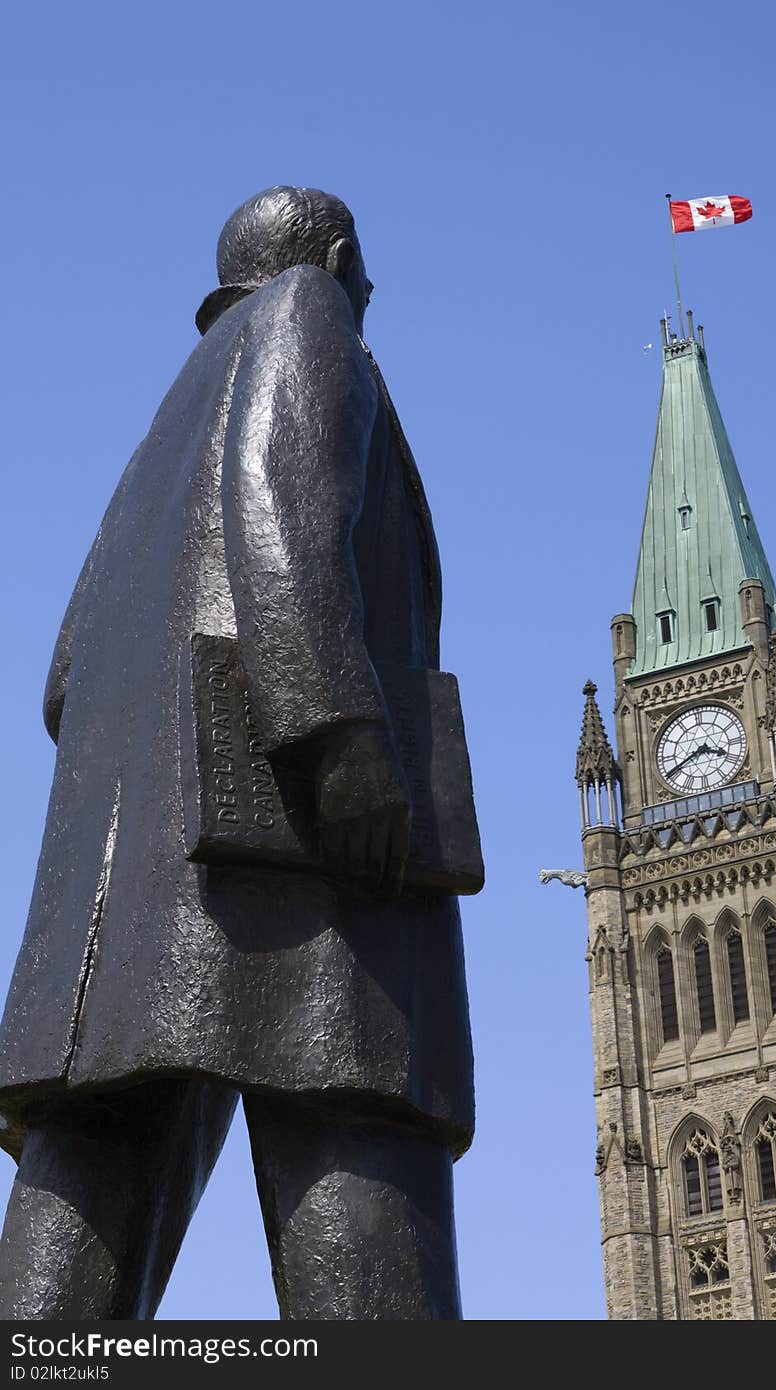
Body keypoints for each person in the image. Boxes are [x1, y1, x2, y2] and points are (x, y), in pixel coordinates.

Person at [0, 187, 476, 1320]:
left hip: (124, 907)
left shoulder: (157, 432)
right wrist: (341, 736)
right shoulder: (312, 313)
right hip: (297, 852)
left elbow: (64, 683)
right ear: (343, 258)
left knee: (92, 1169)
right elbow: (283, 497)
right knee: (358, 1126)